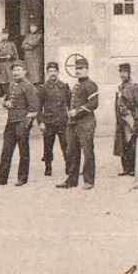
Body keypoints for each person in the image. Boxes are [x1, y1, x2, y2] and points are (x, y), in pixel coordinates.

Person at [0, 61, 40, 186]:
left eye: (19, 70)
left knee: (23, 151)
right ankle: (1, 178)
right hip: (11, 121)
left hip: (22, 122)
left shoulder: (29, 86)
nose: (16, 72)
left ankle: (22, 178)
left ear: (25, 71)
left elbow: (34, 108)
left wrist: (26, 123)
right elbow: (8, 99)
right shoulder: (11, 85)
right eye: (14, 70)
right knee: (6, 151)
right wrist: (6, 103)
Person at [58, 57, 99, 190]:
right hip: (73, 123)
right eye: (76, 69)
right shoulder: (76, 85)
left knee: (87, 151)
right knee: (71, 152)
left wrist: (78, 111)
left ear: (87, 69)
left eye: (81, 69)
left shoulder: (91, 85)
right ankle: (72, 180)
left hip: (86, 122)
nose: (78, 71)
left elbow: (93, 104)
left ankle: (88, 181)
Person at [113, 63, 138, 176]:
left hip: (132, 121)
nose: (122, 74)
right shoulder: (119, 88)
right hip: (122, 121)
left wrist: (136, 117)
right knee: (123, 143)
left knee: (133, 143)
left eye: (125, 72)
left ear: (129, 73)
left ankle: (134, 168)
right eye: (121, 72)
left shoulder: (135, 88)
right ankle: (126, 169)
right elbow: (116, 105)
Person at [37, 61, 71, 176]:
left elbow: (70, 105)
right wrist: (41, 122)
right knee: (48, 146)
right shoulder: (42, 88)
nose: (52, 73)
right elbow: (38, 107)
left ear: (58, 72)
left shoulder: (64, 86)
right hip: (49, 122)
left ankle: (69, 166)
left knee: (66, 144)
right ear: (47, 73)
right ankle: (48, 167)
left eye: (54, 71)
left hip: (62, 121)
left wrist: (70, 119)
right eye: (50, 71)